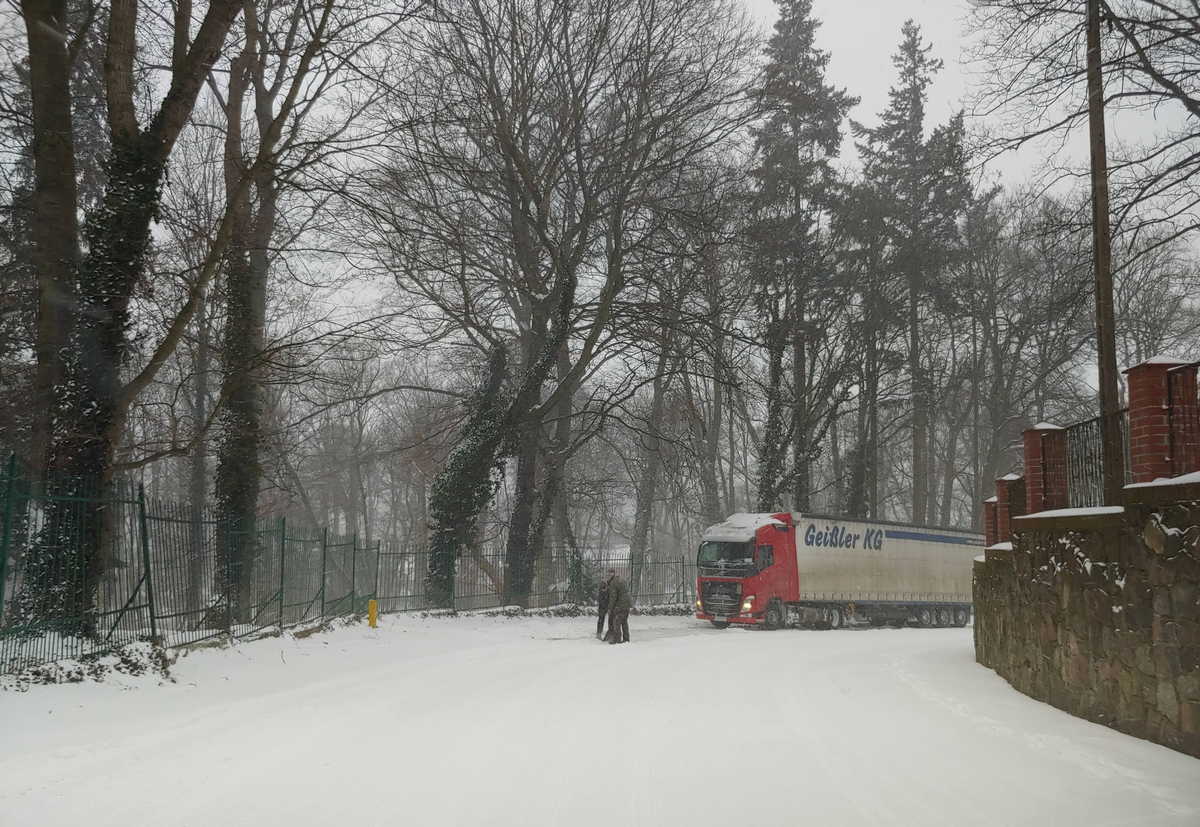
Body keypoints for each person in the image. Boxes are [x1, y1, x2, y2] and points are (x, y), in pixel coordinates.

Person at [605, 568, 631, 644]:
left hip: (620, 605)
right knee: (624, 622)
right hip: (627, 604)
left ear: (613, 574)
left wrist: (610, 608)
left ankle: (617, 640)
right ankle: (626, 638)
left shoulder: (613, 583)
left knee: (616, 622)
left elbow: (613, 597)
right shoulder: (621, 580)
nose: (608, 575)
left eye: (610, 573)